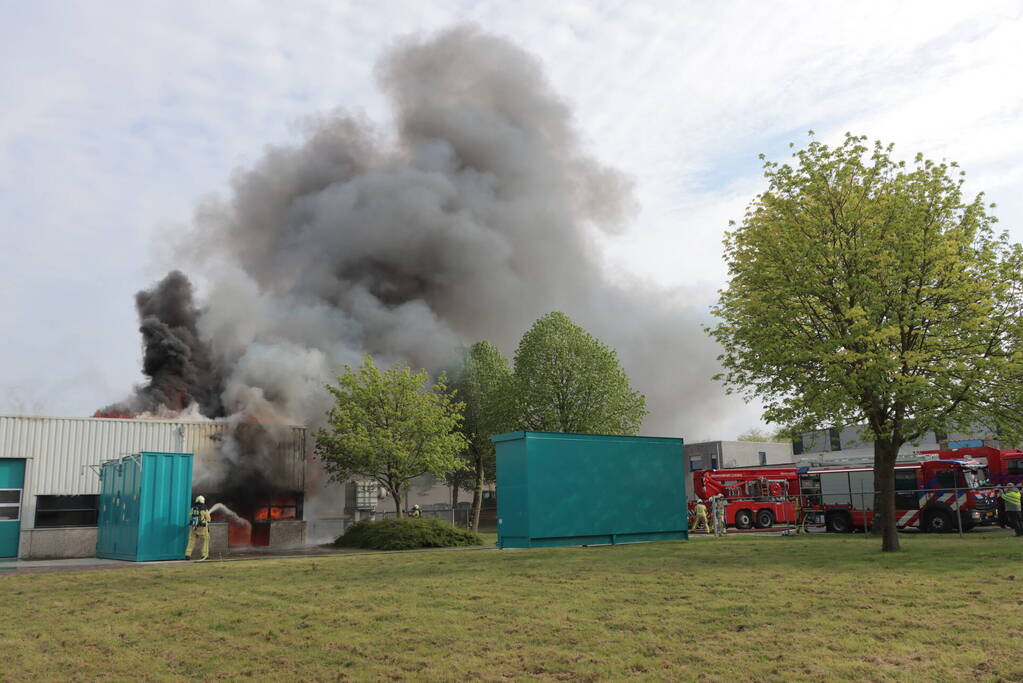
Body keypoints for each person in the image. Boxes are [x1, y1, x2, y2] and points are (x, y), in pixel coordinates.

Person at [185, 495, 212, 561]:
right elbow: (208, 519)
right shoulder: (204, 509)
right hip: (202, 528)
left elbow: (190, 517)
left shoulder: (193, 509)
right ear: (203, 501)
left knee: (191, 541)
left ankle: (187, 555)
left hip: (193, 527)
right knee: (206, 540)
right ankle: (204, 555)